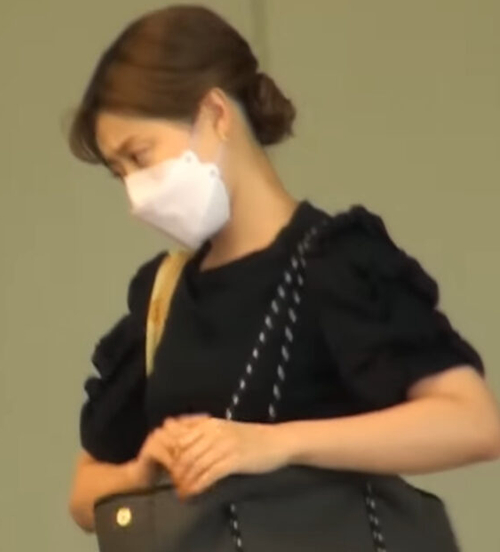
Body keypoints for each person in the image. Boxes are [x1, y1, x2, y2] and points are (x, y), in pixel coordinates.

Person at [66, 3, 500, 540]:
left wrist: (275, 443)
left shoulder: (336, 260)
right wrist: (140, 473)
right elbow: (83, 494)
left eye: (140, 155)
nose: (136, 194)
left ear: (216, 114)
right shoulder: (163, 296)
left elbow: (472, 422)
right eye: (120, 173)